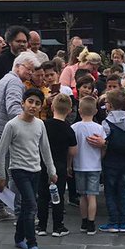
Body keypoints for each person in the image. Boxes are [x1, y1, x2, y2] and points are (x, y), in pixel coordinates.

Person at [0, 88, 57, 249]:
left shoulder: (40, 124)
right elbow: (1, 152)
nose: (33, 106)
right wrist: (2, 176)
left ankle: (18, 236)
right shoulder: (12, 125)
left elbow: (45, 149)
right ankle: (32, 242)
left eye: (37, 103)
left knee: (27, 206)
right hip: (18, 170)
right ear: (23, 103)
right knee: (31, 205)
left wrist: (52, 171)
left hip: (35, 170)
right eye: (30, 102)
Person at [0, 50, 39, 220]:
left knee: (3, 172)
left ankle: (0, 210)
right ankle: (19, 211)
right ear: (18, 66)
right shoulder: (15, 83)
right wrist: (28, 123)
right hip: (1, 132)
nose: (30, 73)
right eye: (28, 69)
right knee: (14, 173)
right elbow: (13, 108)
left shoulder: (5, 80)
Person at [37, 92, 76, 237]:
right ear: (70, 110)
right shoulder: (68, 129)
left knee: (42, 195)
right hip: (59, 166)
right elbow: (73, 151)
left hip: (42, 164)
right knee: (57, 195)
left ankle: (41, 226)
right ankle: (58, 226)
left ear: (52, 107)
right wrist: (69, 165)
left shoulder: (43, 125)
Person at [98, 87, 125, 232]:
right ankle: (123, 223)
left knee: (110, 191)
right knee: (123, 191)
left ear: (110, 105)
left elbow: (104, 142)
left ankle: (113, 222)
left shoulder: (106, 123)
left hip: (110, 162)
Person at [71, 95, 104, 234]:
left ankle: (84, 222)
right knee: (92, 196)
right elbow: (103, 147)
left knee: (82, 196)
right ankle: (91, 223)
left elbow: (71, 148)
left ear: (79, 111)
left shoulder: (74, 127)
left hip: (79, 165)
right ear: (95, 111)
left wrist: (69, 164)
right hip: (94, 166)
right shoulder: (99, 128)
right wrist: (100, 158)